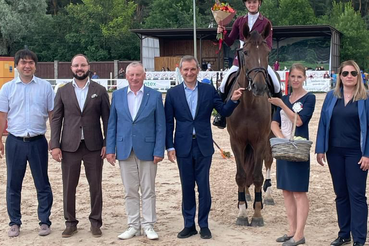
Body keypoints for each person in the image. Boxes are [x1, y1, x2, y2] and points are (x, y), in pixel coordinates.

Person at [165, 55, 244, 240]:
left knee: (203, 187)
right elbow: (168, 123)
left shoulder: (208, 91)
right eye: (186, 70)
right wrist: (169, 146)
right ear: (181, 71)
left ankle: (204, 224)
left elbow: (223, 112)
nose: (189, 73)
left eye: (192, 69)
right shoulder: (173, 94)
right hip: (182, 145)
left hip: (203, 145)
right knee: (187, 187)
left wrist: (232, 100)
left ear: (198, 70)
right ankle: (188, 224)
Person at [50, 54, 110, 238]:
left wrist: (108, 143)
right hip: (69, 147)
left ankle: (95, 222)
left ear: (88, 66)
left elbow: (107, 120)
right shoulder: (63, 91)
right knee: (69, 186)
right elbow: (56, 119)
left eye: (83, 65)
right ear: (71, 68)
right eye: (76, 65)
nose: (79, 68)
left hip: (94, 146)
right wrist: (54, 145)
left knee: (95, 186)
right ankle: (70, 222)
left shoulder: (99, 90)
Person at [106, 62, 165, 240]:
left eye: (138, 74)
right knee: (130, 190)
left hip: (147, 149)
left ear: (144, 76)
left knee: (148, 190)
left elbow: (160, 125)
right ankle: (133, 225)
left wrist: (159, 149)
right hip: (124, 148)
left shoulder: (154, 96)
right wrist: (110, 149)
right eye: (131, 75)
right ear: (126, 76)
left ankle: (148, 225)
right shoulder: (117, 96)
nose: (134, 78)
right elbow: (112, 124)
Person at [0, 49, 54, 237]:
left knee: (43, 184)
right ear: (17, 65)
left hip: (38, 141)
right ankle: (14, 222)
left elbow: (52, 114)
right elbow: (3, 115)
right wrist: (0, 138)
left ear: (35, 66)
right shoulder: (7, 88)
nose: (27, 66)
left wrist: (54, 139)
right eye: (23, 62)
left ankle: (44, 221)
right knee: (13, 184)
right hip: (15, 141)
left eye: (31, 62)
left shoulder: (45, 87)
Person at [316, 60, 369, 246]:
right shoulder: (332, 96)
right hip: (334, 153)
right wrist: (320, 149)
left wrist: (367, 154)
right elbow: (323, 123)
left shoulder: (365, 98)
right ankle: (344, 234)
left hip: (357, 153)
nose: (349, 77)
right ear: (339, 76)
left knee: (357, 195)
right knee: (341, 194)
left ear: (359, 76)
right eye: (345, 73)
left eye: (353, 73)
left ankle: (359, 239)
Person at [269, 63, 316, 246]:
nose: (296, 80)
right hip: (284, 150)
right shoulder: (286, 97)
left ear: (304, 78)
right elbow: (274, 123)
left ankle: (299, 234)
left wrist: (281, 104)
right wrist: (282, 140)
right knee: (287, 191)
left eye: (299, 76)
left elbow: (299, 121)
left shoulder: (309, 98)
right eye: (293, 76)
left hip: (299, 150)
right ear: (289, 78)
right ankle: (291, 230)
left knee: (298, 192)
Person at [213, 0, 280, 129]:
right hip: (241, 60)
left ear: (259, 3)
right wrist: (221, 32)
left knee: (276, 85)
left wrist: (258, 51)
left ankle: (278, 115)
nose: (251, 5)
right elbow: (230, 41)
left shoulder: (266, 22)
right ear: (245, 4)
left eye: (254, 2)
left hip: (258, 61)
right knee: (223, 85)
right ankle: (220, 116)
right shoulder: (239, 21)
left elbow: (269, 45)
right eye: (249, 2)